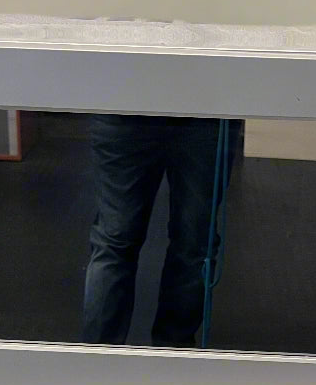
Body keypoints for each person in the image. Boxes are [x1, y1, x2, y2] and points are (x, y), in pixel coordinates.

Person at [82, 114, 242, 347]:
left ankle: (96, 365)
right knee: (193, 247)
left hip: (126, 106)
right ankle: (172, 361)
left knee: (115, 245)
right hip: (204, 110)